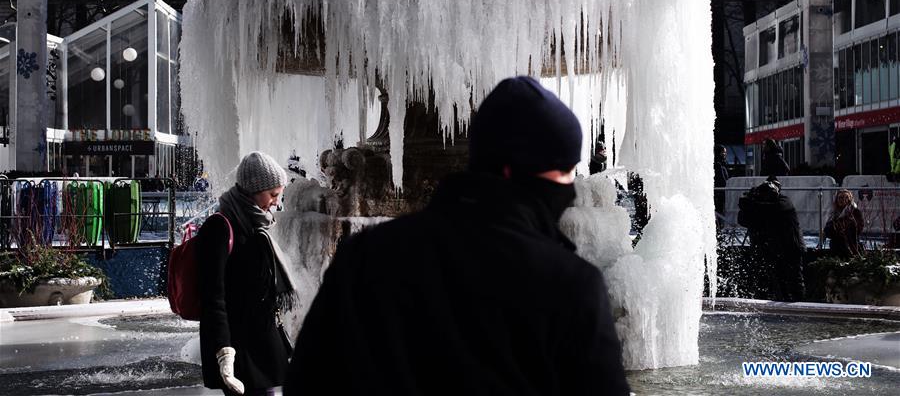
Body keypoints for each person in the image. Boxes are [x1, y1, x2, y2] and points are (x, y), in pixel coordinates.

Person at [284, 76, 629, 396]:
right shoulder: (570, 286)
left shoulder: (366, 257)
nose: (570, 183)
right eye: (564, 169)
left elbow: (308, 381)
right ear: (513, 170)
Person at [198, 151, 296, 396]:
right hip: (240, 350)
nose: (276, 202)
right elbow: (213, 296)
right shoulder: (220, 226)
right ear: (253, 190)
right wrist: (224, 352)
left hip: (264, 345)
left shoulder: (256, 223)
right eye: (273, 194)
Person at [738, 178, 805, 302]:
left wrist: (749, 204)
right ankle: (778, 301)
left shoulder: (784, 202)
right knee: (774, 279)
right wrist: (749, 203)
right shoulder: (762, 206)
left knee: (794, 279)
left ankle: (798, 303)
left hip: (791, 247)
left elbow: (772, 209)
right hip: (771, 248)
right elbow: (743, 220)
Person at [824, 189, 864, 257]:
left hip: (850, 247)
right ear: (837, 199)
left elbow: (859, 229)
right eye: (841, 197)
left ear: (850, 199)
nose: (843, 200)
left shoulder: (855, 212)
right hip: (836, 248)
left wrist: (840, 228)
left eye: (846, 197)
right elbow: (827, 231)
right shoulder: (833, 213)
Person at [714, 144, 729, 229]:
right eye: (724, 152)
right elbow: (722, 180)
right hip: (719, 193)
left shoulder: (721, 164)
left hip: (720, 193)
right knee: (719, 212)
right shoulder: (718, 165)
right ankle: (719, 231)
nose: (725, 154)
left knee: (719, 213)